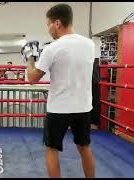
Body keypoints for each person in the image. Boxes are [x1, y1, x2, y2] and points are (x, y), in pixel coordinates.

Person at [22, 4, 96, 178]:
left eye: (48, 24)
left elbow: (32, 79)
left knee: (52, 150)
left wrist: (30, 58)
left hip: (59, 109)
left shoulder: (52, 48)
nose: (48, 29)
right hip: (83, 107)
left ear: (57, 23)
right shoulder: (89, 44)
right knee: (84, 147)